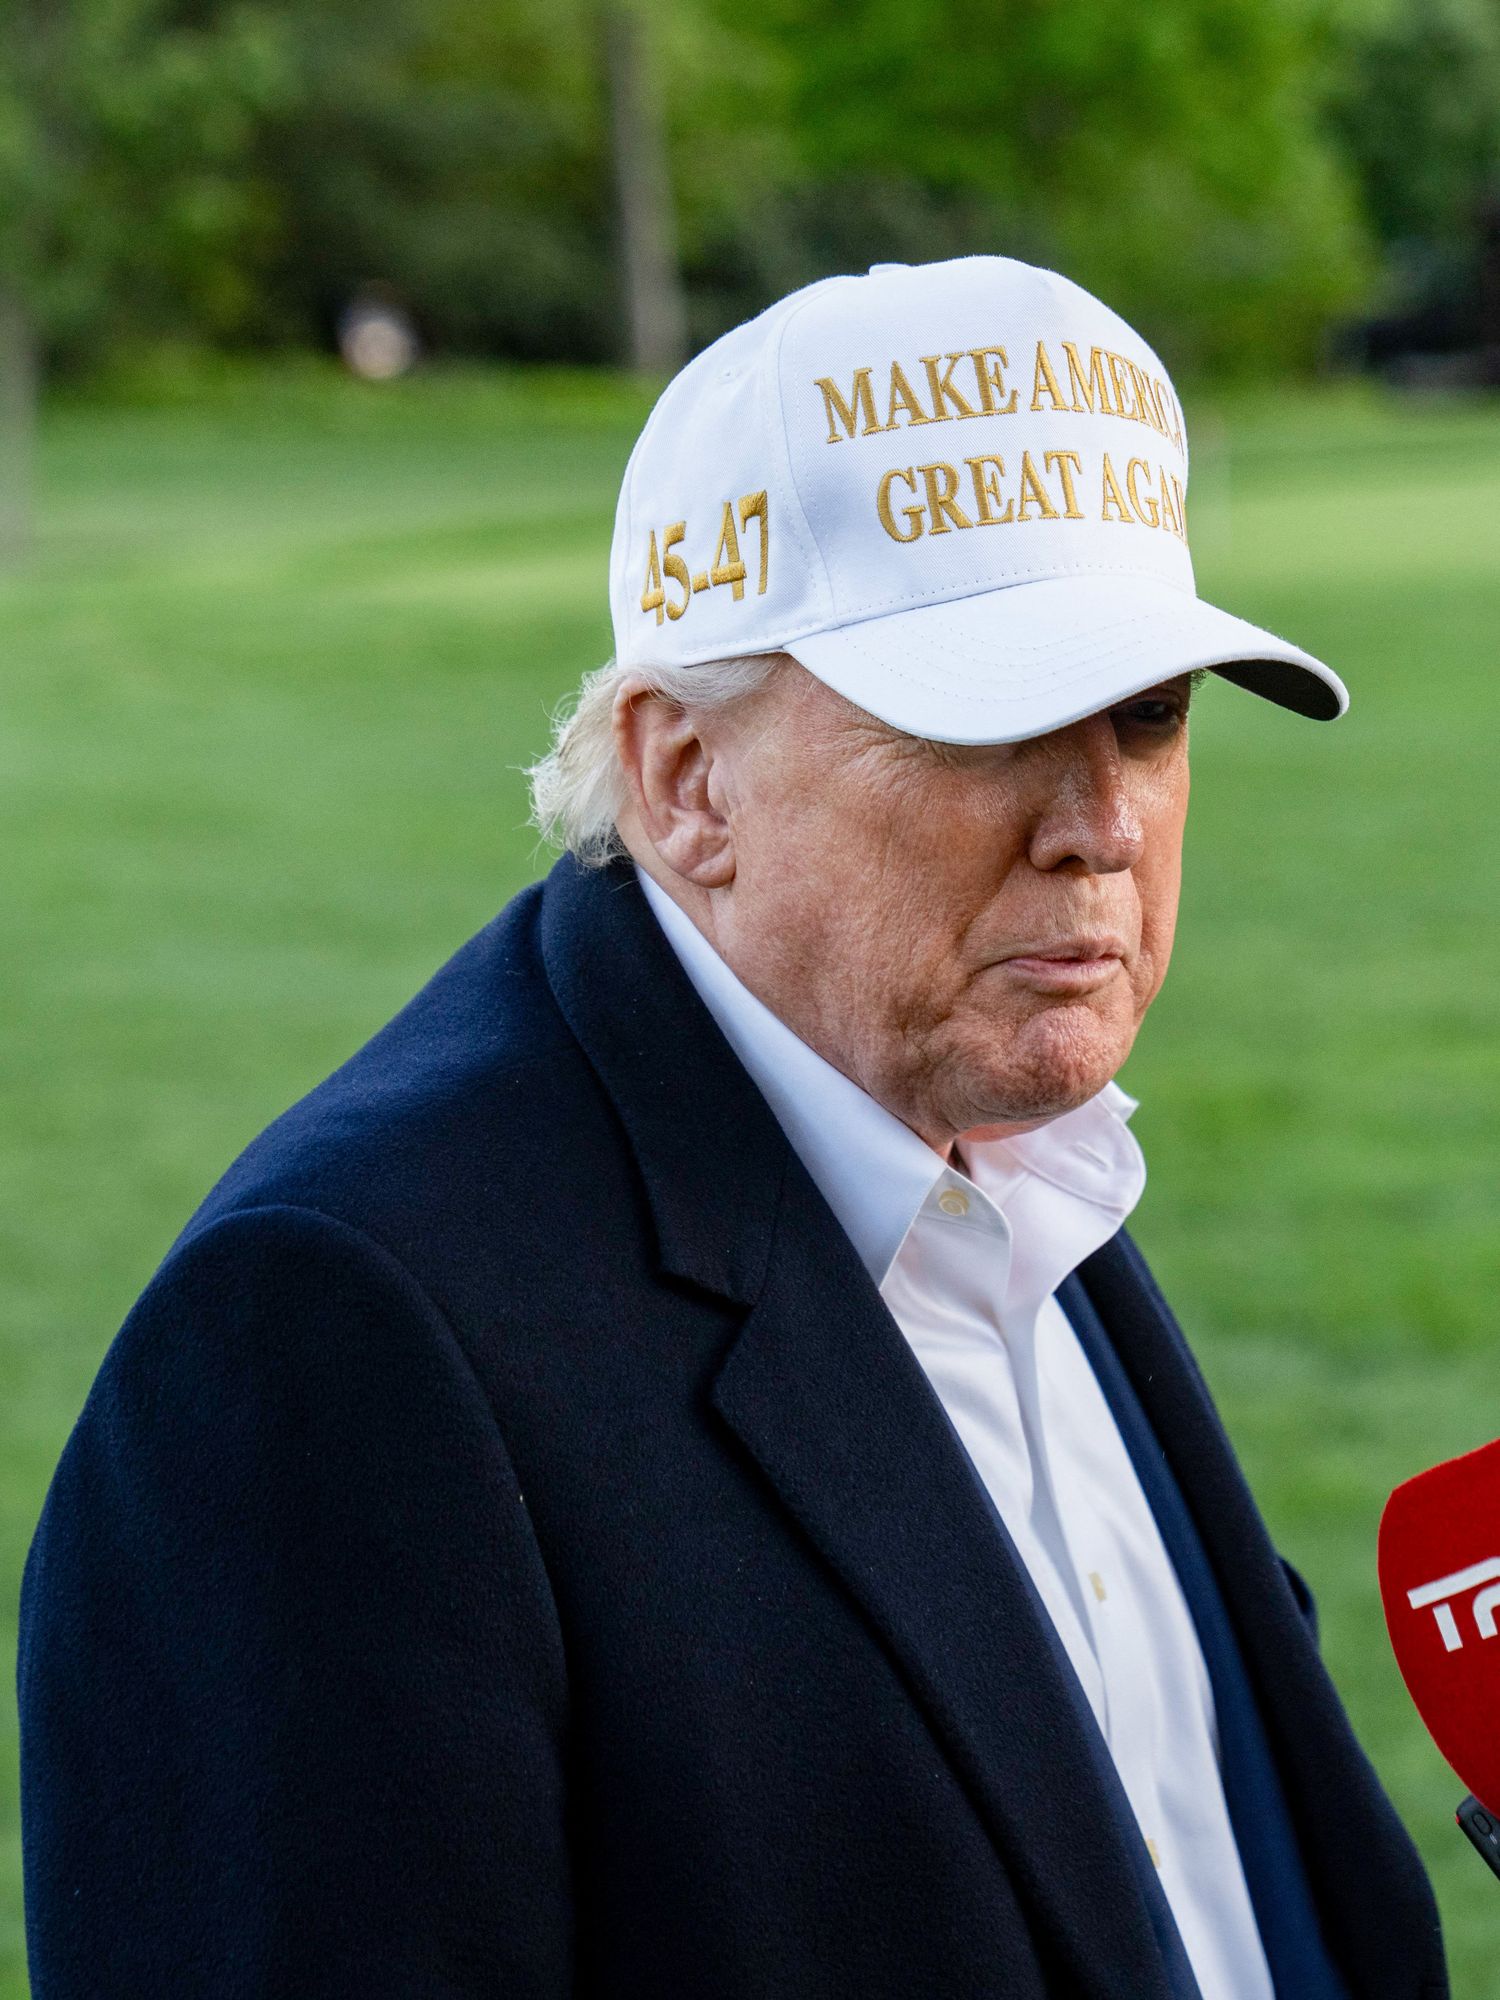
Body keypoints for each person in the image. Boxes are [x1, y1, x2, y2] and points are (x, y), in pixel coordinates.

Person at [17, 255, 1447, 1999]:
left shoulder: (1000, 1154)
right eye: (986, 722)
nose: (1101, 826)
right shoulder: (328, 1350)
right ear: (686, 778)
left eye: (1149, 717)